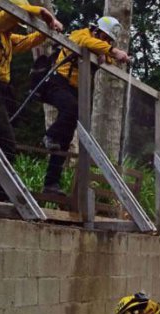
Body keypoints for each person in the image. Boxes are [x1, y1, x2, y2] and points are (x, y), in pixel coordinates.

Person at [0, 0, 63, 200]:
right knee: (6, 144)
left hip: (1, 92)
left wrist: (46, 31)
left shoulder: (6, 37)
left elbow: (29, 41)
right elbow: (14, 12)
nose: (17, 26)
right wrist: (44, 13)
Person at [39, 17, 131, 195]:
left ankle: (51, 184)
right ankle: (49, 136)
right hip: (58, 82)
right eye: (104, 37)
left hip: (75, 91)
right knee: (71, 110)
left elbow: (108, 59)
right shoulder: (82, 34)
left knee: (65, 139)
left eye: (109, 40)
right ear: (97, 31)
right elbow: (83, 41)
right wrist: (112, 50)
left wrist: (109, 55)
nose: (105, 42)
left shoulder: (99, 46)